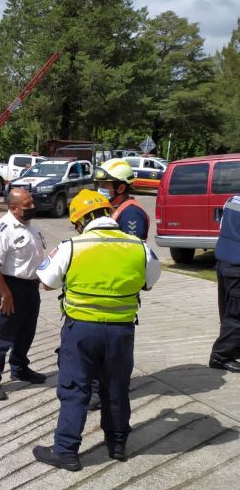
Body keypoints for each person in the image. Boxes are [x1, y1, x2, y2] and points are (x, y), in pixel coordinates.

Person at [33, 189, 161, 471]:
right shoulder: (139, 247)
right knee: (116, 388)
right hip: (121, 332)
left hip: (81, 331)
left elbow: (46, 282)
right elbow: (149, 283)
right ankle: (117, 444)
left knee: (75, 389)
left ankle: (66, 451)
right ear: (107, 213)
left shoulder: (71, 246)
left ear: (81, 221)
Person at [89, 157, 150, 410]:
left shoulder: (131, 213)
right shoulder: (114, 209)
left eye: (105, 184)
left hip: (118, 293)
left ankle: (105, 392)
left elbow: (131, 254)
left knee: (113, 349)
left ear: (121, 187)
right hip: (105, 288)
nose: (101, 188)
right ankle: (101, 388)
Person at [0, 187, 47, 401]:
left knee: (26, 332)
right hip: (9, 288)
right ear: (13, 208)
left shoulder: (31, 226)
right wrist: (5, 294)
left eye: (32, 202)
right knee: (1, 335)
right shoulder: (3, 228)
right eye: (28, 205)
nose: (33, 207)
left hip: (30, 288)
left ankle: (19, 368)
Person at [209, 195, 240, 372]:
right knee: (236, 316)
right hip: (237, 267)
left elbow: (222, 227)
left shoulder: (232, 201)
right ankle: (220, 356)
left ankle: (232, 350)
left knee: (228, 311)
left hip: (225, 262)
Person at [93, 158, 149, 240]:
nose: (99, 188)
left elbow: (132, 246)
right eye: (99, 184)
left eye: (103, 184)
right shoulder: (111, 208)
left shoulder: (131, 214)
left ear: (121, 188)